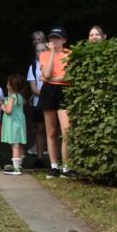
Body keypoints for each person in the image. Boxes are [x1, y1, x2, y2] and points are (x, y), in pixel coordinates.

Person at [38, 26, 73, 178]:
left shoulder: (70, 54)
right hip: (49, 92)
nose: (54, 41)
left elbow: (70, 77)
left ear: (64, 40)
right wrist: (52, 53)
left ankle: (67, 167)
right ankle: (54, 166)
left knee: (66, 131)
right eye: (52, 38)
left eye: (57, 38)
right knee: (51, 131)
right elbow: (45, 75)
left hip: (65, 91)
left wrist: (52, 78)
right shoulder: (45, 55)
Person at [25, 31, 48, 167]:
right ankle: (39, 158)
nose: (40, 53)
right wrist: (46, 95)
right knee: (39, 129)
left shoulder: (52, 64)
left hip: (52, 102)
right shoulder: (33, 67)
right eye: (38, 51)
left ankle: (57, 158)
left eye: (43, 50)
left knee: (53, 130)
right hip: (38, 103)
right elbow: (33, 88)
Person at [0, 74, 29, 175]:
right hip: (19, 123)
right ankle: (19, 164)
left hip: (13, 124)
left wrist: (1, 105)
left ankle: (16, 168)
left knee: (15, 145)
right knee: (18, 144)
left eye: (8, 84)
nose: (7, 85)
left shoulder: (12, 97)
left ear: (12, 86)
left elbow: (8, 110)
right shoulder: (19, 96)